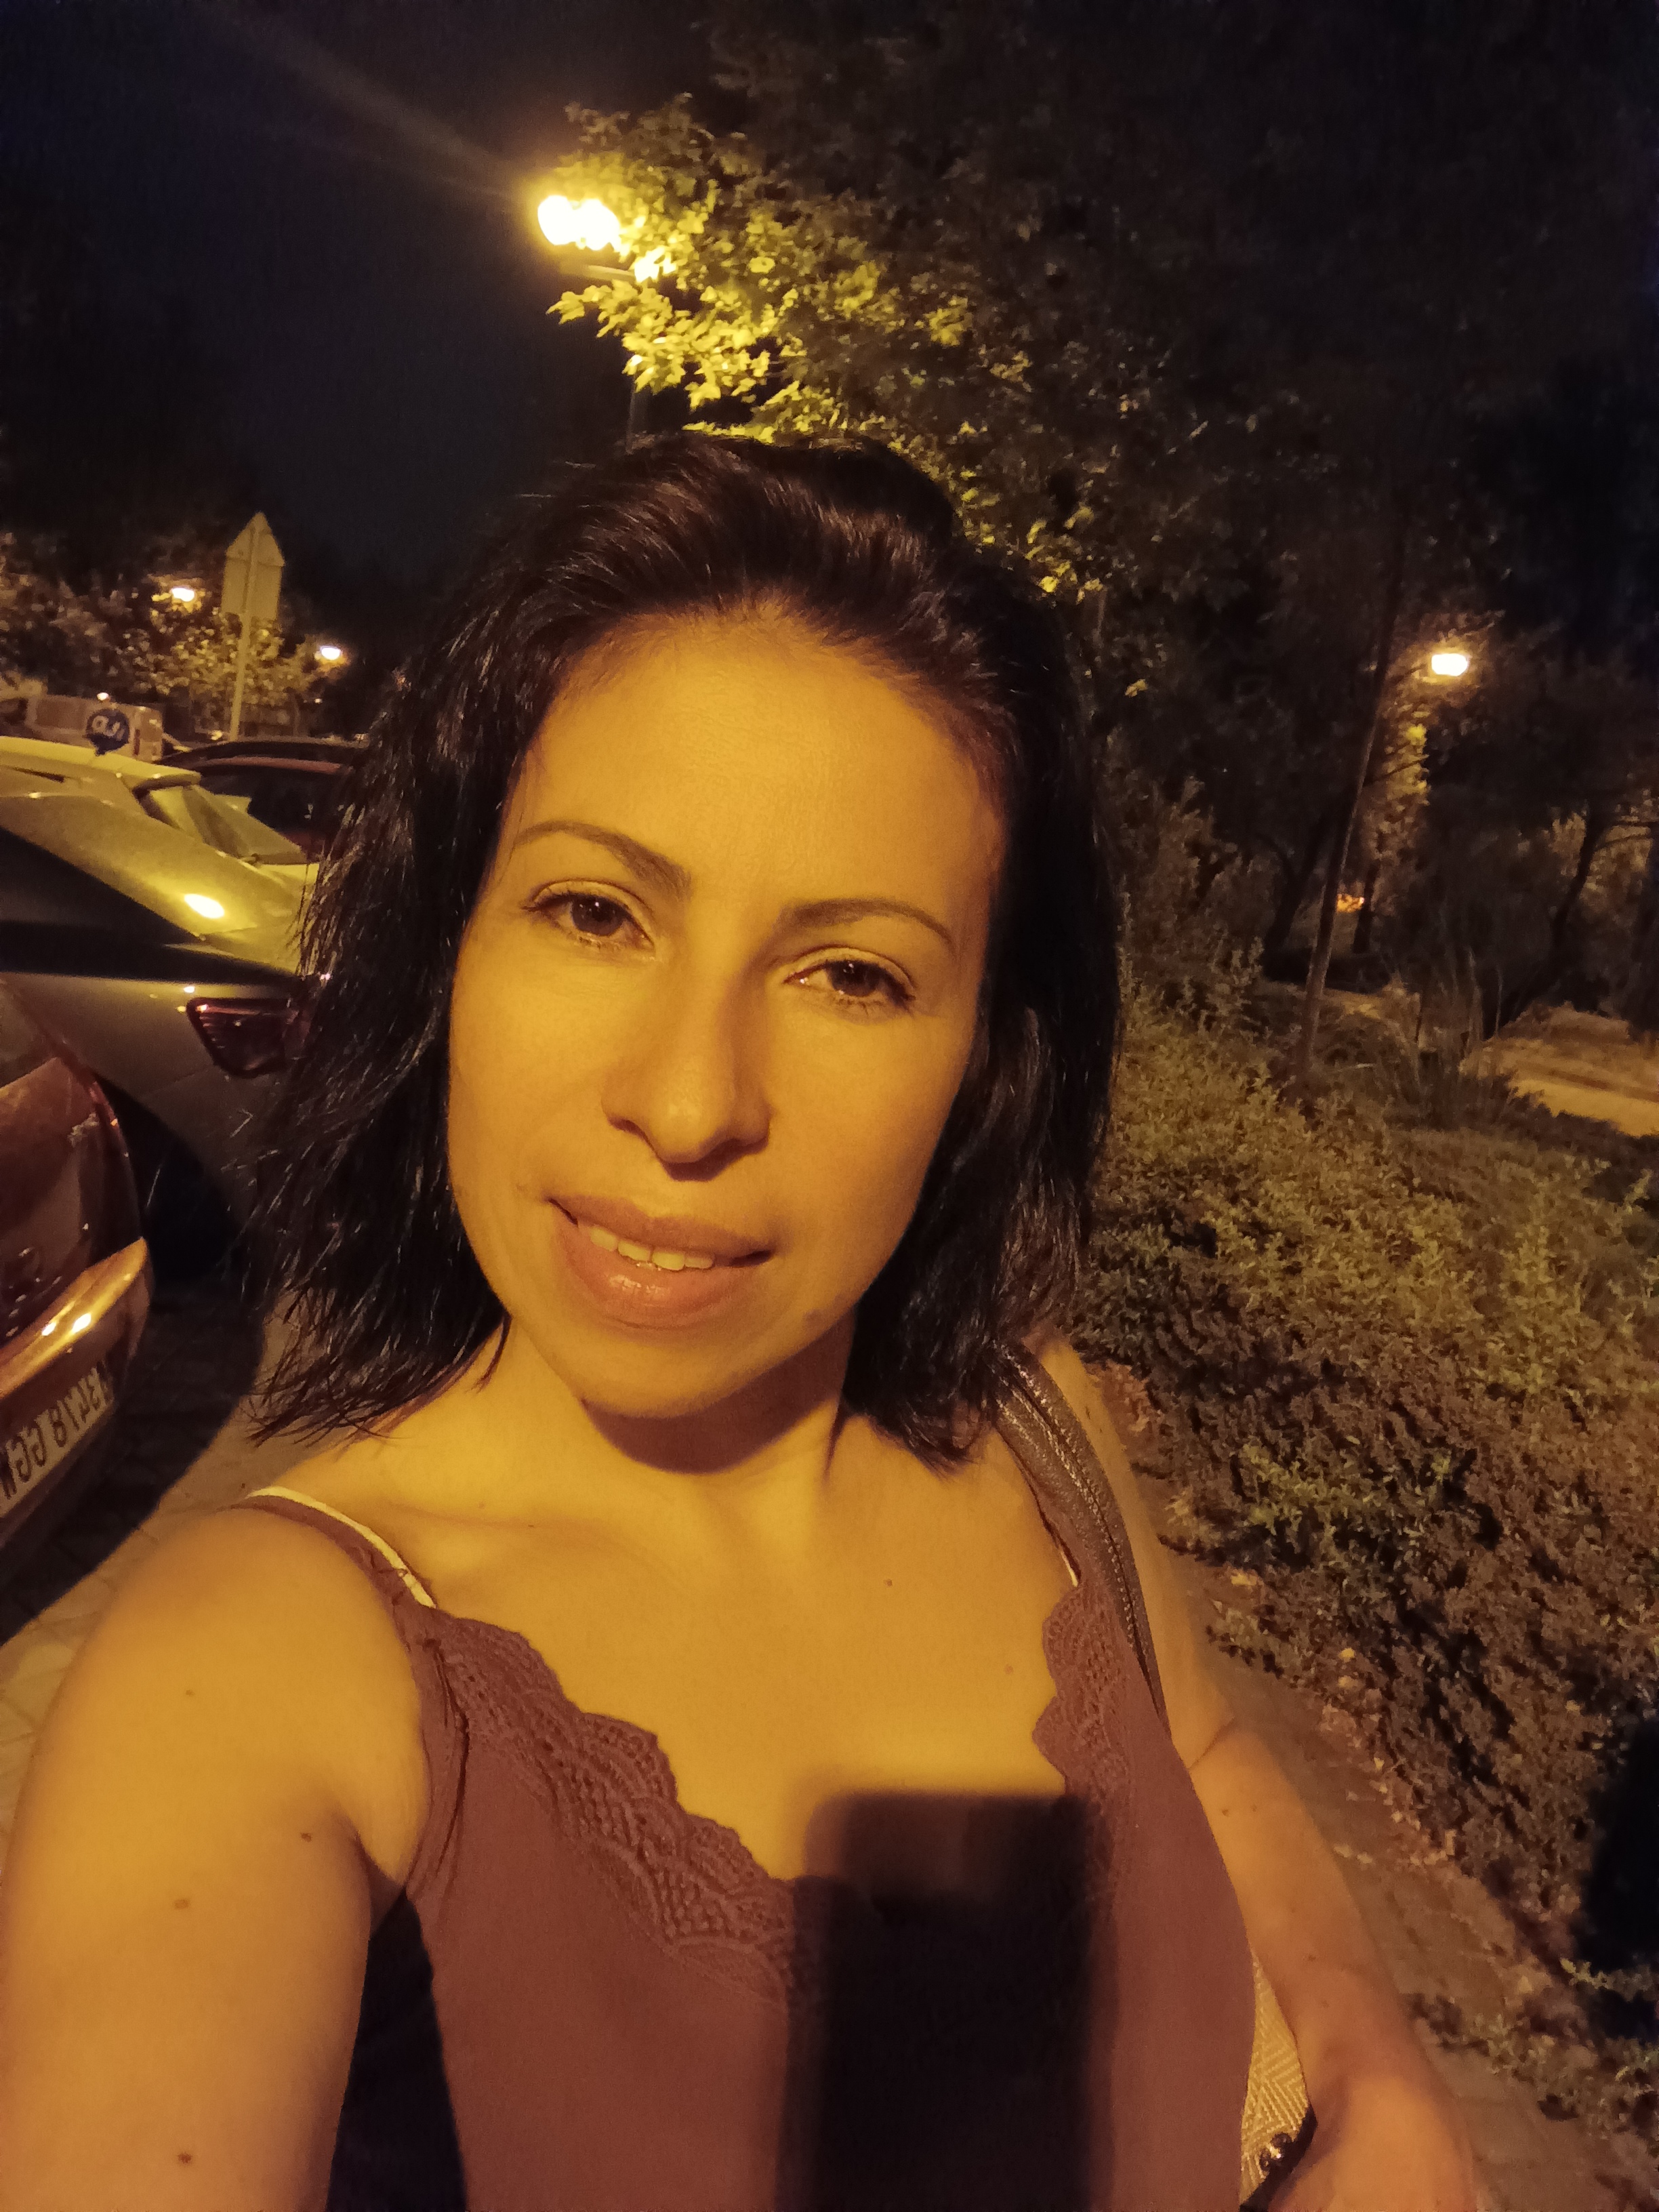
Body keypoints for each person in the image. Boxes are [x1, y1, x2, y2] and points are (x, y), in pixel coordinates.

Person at [0, 435, 1478, 2211]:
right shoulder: (255, 1677)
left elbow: (1212, 1755)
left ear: (986, 1055)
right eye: (595, 911)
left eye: (853, 973)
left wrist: (1374, 2070)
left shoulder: (1030, 1421)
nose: (692, 1104)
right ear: (450, 947)